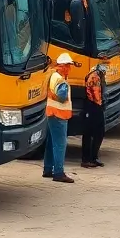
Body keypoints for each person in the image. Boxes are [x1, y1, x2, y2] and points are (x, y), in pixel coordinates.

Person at [43, 53, 75, 183]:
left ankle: (47, 169)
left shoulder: (53, 75)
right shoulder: (60, 78)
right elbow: (62, 96)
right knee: (60, 144)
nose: (70, 68)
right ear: (64, 65)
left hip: (52, 113)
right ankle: (58, 173)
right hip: (59, 114)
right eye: (69, 65)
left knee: (51, 143)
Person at [81, 63, 106, 168]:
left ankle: (93, 157)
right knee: (90, 133)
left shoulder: (97, 76)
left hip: (96, 106)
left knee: (98, 133)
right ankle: (87, 159)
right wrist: (100, 106)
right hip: (93, 106)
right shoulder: (94, 77)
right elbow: (96, 96)